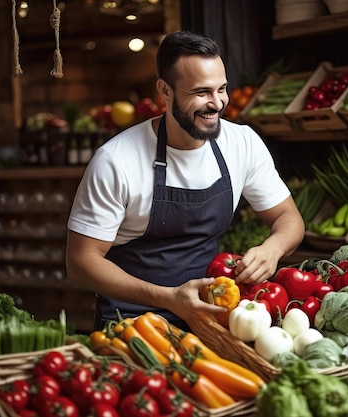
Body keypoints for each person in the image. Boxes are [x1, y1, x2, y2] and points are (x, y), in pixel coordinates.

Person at [65, 30, 305, 331]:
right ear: (165, 91)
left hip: (211, 314)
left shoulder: (242, 142)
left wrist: (273, 248)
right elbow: (80, 261)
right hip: (132, 323)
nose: (217, 103)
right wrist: (168, 298)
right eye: (201, 92)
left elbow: (289, 218)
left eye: (222, 89)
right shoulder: (116, 160)